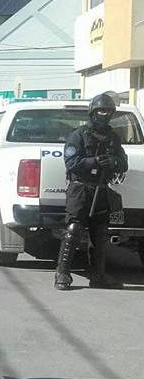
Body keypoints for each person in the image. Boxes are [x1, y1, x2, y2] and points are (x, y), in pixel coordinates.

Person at [55, 92, 128, 291]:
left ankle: (98, 275)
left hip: (102, 189)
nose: (104, 114)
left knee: (100, 233)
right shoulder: (78, 135)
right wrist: (93, 161)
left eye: (108, 111)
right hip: (80, 189)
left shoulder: (113, 137)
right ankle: (62, 273)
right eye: (101, 110)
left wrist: (113, 162)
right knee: (74, 230)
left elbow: (123, 162)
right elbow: (71, 162)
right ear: (93, 112)